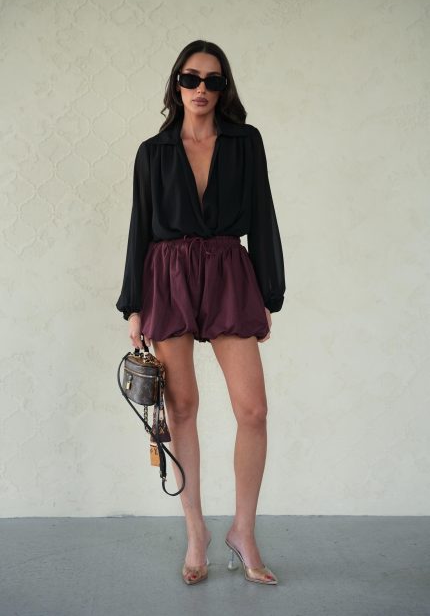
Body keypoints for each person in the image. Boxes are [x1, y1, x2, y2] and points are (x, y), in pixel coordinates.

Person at [116, 40, 286, 585]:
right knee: (182, 408)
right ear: (177, 84)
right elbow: (140, 227)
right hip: (167, 277)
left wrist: (269, 292)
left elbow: (262, 214)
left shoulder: (245, 142)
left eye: (213, 80)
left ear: (224, 88)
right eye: (191, 79)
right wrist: (133, 304)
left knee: (253, 410)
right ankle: (196, 534)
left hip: (229, 273)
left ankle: (243, 530)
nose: (202, 89)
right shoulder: (153, 152)